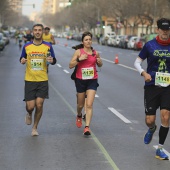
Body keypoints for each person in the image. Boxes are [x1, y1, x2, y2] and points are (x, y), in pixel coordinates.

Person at [134, 18, 170, 160]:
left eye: (167, 29)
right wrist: (144, 73)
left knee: (166, 116)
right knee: (150, 119)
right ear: (157, 30)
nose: (165, 32)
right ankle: (152, 128)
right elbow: (137, 62)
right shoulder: (150, 45)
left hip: (168, 87)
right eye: (163, 29)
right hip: (152, 86)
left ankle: (160, 149)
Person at [20, 24, 57, 136]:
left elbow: (54, 60)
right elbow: (22, 58)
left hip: (43, 80)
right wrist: (22, 60)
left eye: (39, 30)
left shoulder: (48, 46)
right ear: (32, 32)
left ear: (42, 32)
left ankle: (35, 127)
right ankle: (29, 113)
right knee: (31, 106)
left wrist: (52, 60)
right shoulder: (27, 46)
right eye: (35, 30)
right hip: (30, 79)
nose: (37, 32)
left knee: (39, 104)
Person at [69, 31, 103, 136]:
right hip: (80, 80)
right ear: (83, 42)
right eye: (86, 40)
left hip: (92, 80)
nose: (88, 41)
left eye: (89, 39)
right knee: (80, 104)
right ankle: (79, 115)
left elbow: (100, 65)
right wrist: (79, 59)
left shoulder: (95, 52)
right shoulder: (78, 52)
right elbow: (70, 65)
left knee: (89, 104)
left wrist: (99, 61)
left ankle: (87, 127)